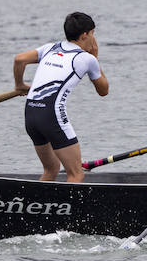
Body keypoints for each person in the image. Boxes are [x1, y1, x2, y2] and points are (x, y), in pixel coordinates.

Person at [13, 11, 110, 182]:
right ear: (84, 35)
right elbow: (104, 91)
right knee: (76, 173)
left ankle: (37, 206)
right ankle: (68, 208)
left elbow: (19, 59)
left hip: (31, 114)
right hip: (51, 116)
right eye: (93, 34)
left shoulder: (50, 47)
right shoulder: (87, 59)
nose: (94, 40)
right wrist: (95, 58)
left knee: (51, 169)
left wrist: (20, 85)